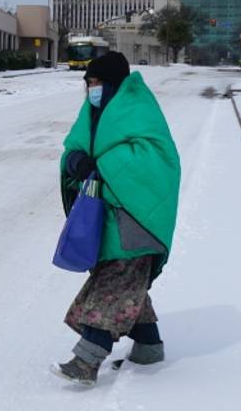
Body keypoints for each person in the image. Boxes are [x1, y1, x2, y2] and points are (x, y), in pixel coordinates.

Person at [53, 51, 181, 386]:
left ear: (112, 84)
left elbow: (153, 161)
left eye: (96, 82)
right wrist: (76, 162)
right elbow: (75, 149)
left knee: (112, 287)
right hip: (108, 220)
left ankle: (86, 360)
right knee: (127, 286)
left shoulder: (138, 110)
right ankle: (149, 348)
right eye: (88, 83)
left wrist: (101, 167)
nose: (91, 89)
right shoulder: (94, 113)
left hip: (136, 221)